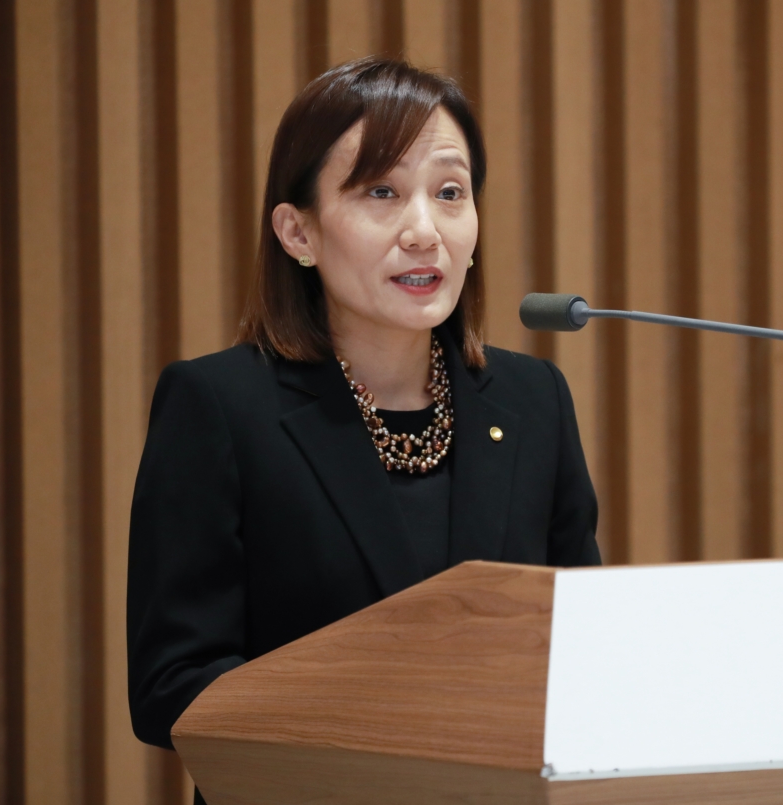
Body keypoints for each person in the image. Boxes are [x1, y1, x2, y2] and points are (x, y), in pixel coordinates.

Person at [126, 57, 601, 796]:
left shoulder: (533, 399)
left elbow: (585, 652)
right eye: (381, 192)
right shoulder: (219, 406)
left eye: (450, 193)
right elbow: (172, 686)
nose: (423, 230)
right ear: (297, 232)